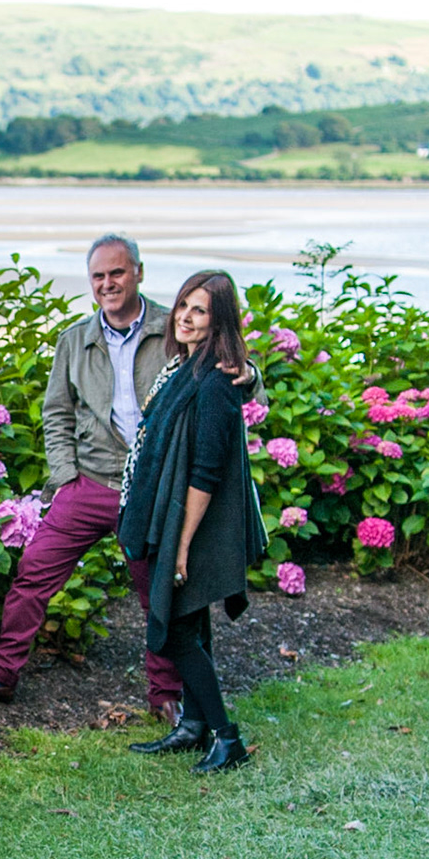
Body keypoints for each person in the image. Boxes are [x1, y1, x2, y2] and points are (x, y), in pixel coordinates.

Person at [0, 235, 188, 721]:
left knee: (158, 593)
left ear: (138, 272)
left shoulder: (171, 330)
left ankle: (166, 696)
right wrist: (65, 474)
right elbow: (56, 411)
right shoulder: (75, 340)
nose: (107, 284)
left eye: (117, 273)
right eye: (98, 276)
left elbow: (227, 370)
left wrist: (245, 373)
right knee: (33, 573)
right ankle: (1, 675)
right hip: (89, 484)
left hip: (150, 488)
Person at [118, 271, 267, 774]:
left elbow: (206, 472)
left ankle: (228, 739)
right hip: (167, 515)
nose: (184, 316)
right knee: (192, 627)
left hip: (190, 525)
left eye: (199, 310)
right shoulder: (184, 367)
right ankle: (195, 725)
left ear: (218, 320)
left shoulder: (216, 381)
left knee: (176, 630)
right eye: (183, 304)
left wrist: (180, 545)